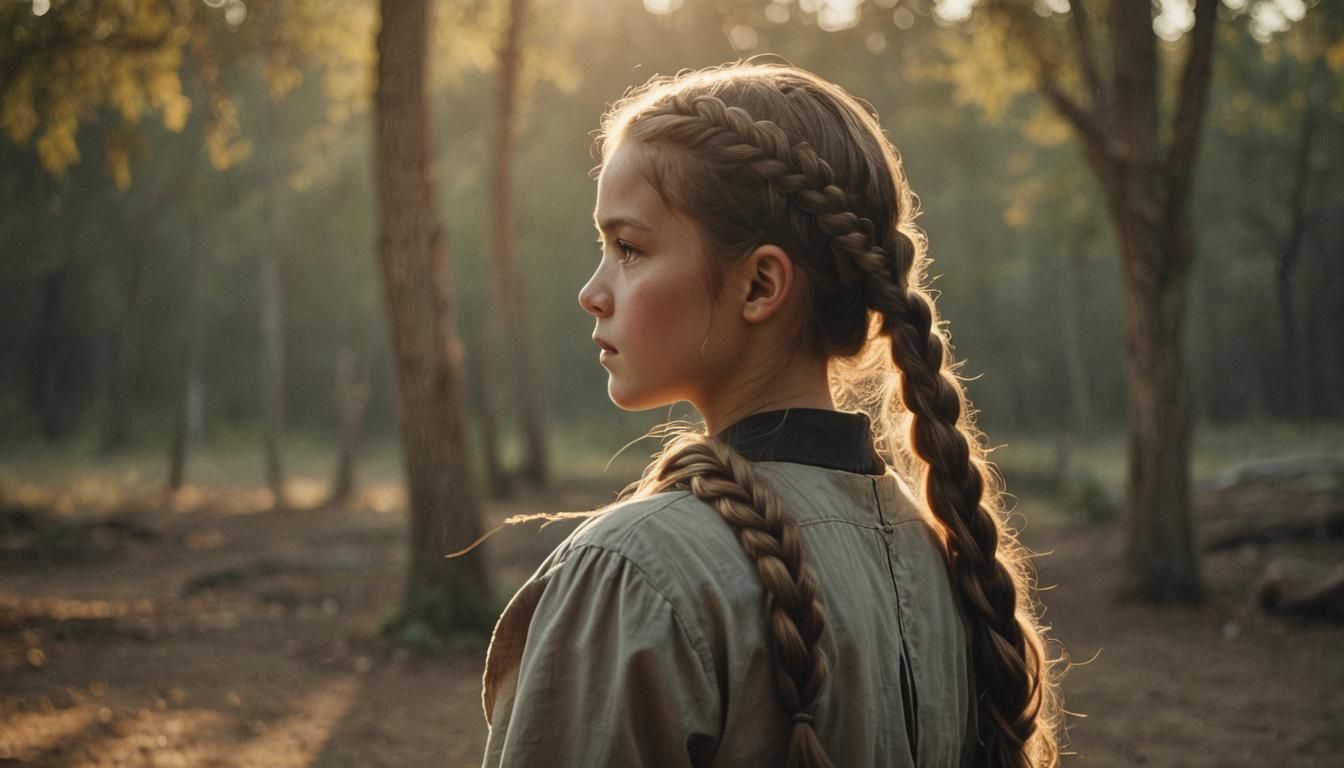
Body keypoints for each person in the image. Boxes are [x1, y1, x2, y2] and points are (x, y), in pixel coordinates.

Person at [480, 61, 1062, 767]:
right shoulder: (949, 565)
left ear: (760, 284)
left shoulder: (635, 575)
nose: (591, 292)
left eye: (629, 248)